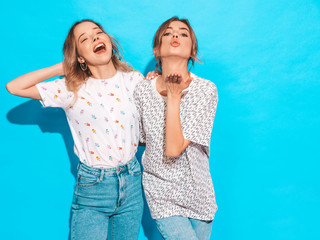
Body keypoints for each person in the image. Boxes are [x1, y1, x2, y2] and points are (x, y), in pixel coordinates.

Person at [6, 19, 144, 240]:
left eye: (98, 33)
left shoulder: (135, 80)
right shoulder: (70, 88)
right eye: (85, 39)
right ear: (80, 57)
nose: (95, 38)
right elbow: (14, 87)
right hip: (93, 187)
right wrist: (61, 67)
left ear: (108, 40)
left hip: (133, 181)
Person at [133, 17, 218, 240]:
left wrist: (173, 93)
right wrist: (157, 84)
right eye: (168, 33)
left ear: (193, 51)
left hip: (199, 193)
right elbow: (145, 141)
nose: (176, 36)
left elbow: (175, 148)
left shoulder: (205, 90)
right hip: (161, 192)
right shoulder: (141, 90)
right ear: (157, 50)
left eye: (183, 33)